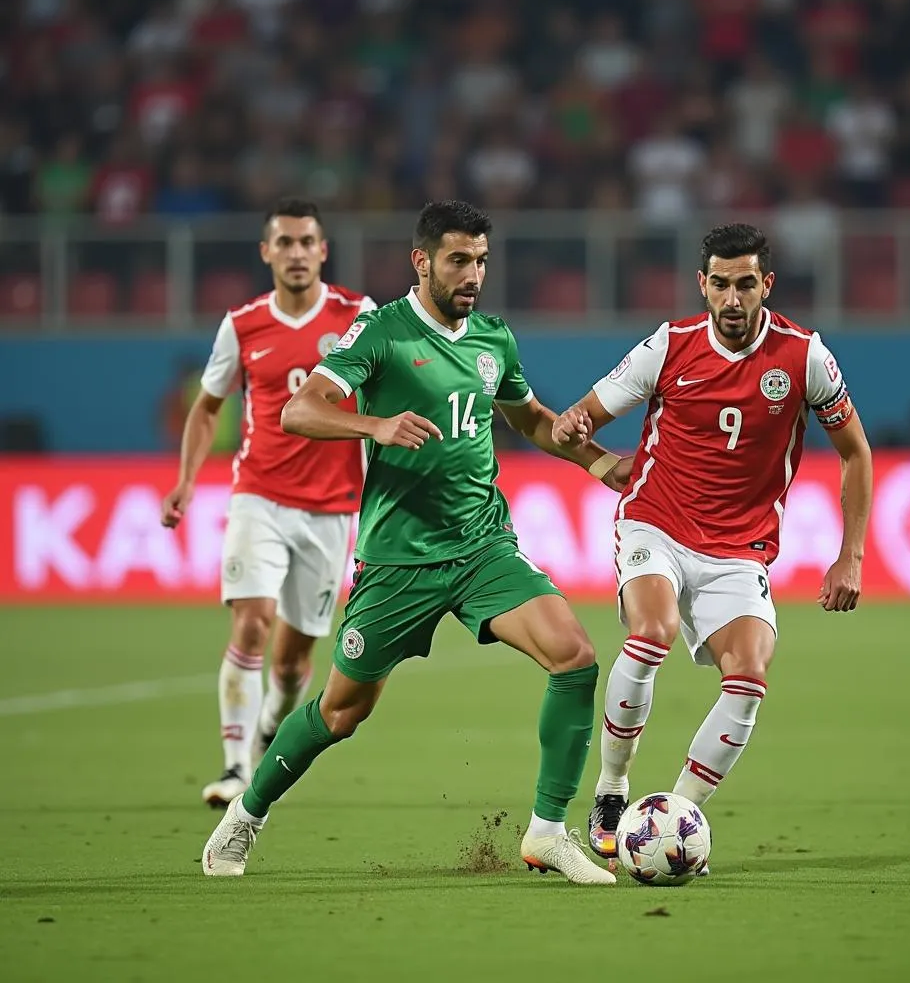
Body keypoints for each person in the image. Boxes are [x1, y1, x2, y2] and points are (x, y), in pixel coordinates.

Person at [201, 200, 628, 885]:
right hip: (400, 560)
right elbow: (300, 408)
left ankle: (547, 832)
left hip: (483, 547)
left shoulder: (494, 338)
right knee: (341, 713)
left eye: (482, 261)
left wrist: (600, 462)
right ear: (422, 261)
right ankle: (246, 814)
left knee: (575, 657)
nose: (473, 274)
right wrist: (374, 426)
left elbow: (531, 420)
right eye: (459, 260)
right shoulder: (381, 334)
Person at [551, 223, 873, 861]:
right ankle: (613, 789)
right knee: (650, 635)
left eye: (745, 284)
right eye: (720, 284)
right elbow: (578, 421)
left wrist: (851, 554)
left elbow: (855, 453)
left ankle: (671, 819)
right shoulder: (668, 346)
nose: (731, 298)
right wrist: (586, 442)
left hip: (740, 549)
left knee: (749, 674)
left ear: (766, 286)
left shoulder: (805, 356)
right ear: (703, 284)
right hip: (657, 523)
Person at [161, 197, 375, 808]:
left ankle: (264, 730)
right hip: (259, 495)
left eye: (307, 241)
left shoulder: (358, 314)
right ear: (267, 253)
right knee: (251, 623)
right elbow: (207, 407)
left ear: (323, 250)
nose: (297, 253)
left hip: (333, 509)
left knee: (289, 665)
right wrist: (186, 481)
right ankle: (233, 768)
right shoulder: (243, 324)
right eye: (285, 242)